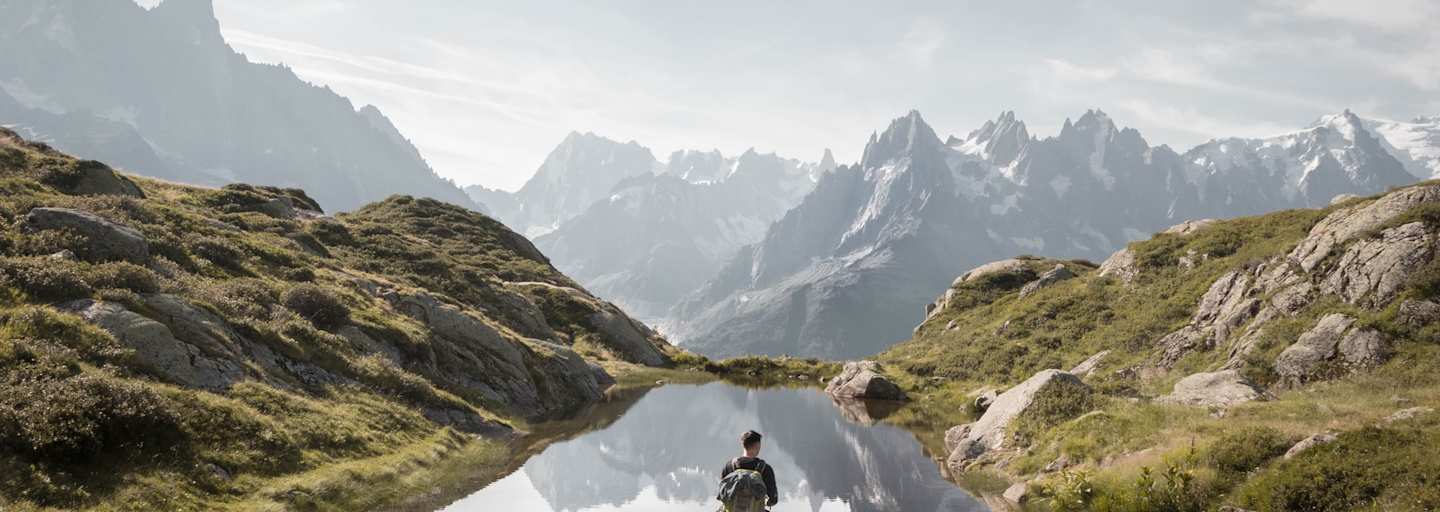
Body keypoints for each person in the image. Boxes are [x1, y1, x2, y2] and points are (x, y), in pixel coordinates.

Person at [717, 430, 778, 511]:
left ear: (743, 445)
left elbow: (721, 494)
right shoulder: (765, 469)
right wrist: (765, 501)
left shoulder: (729, 466)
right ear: (757, 445)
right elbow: (773, 499)